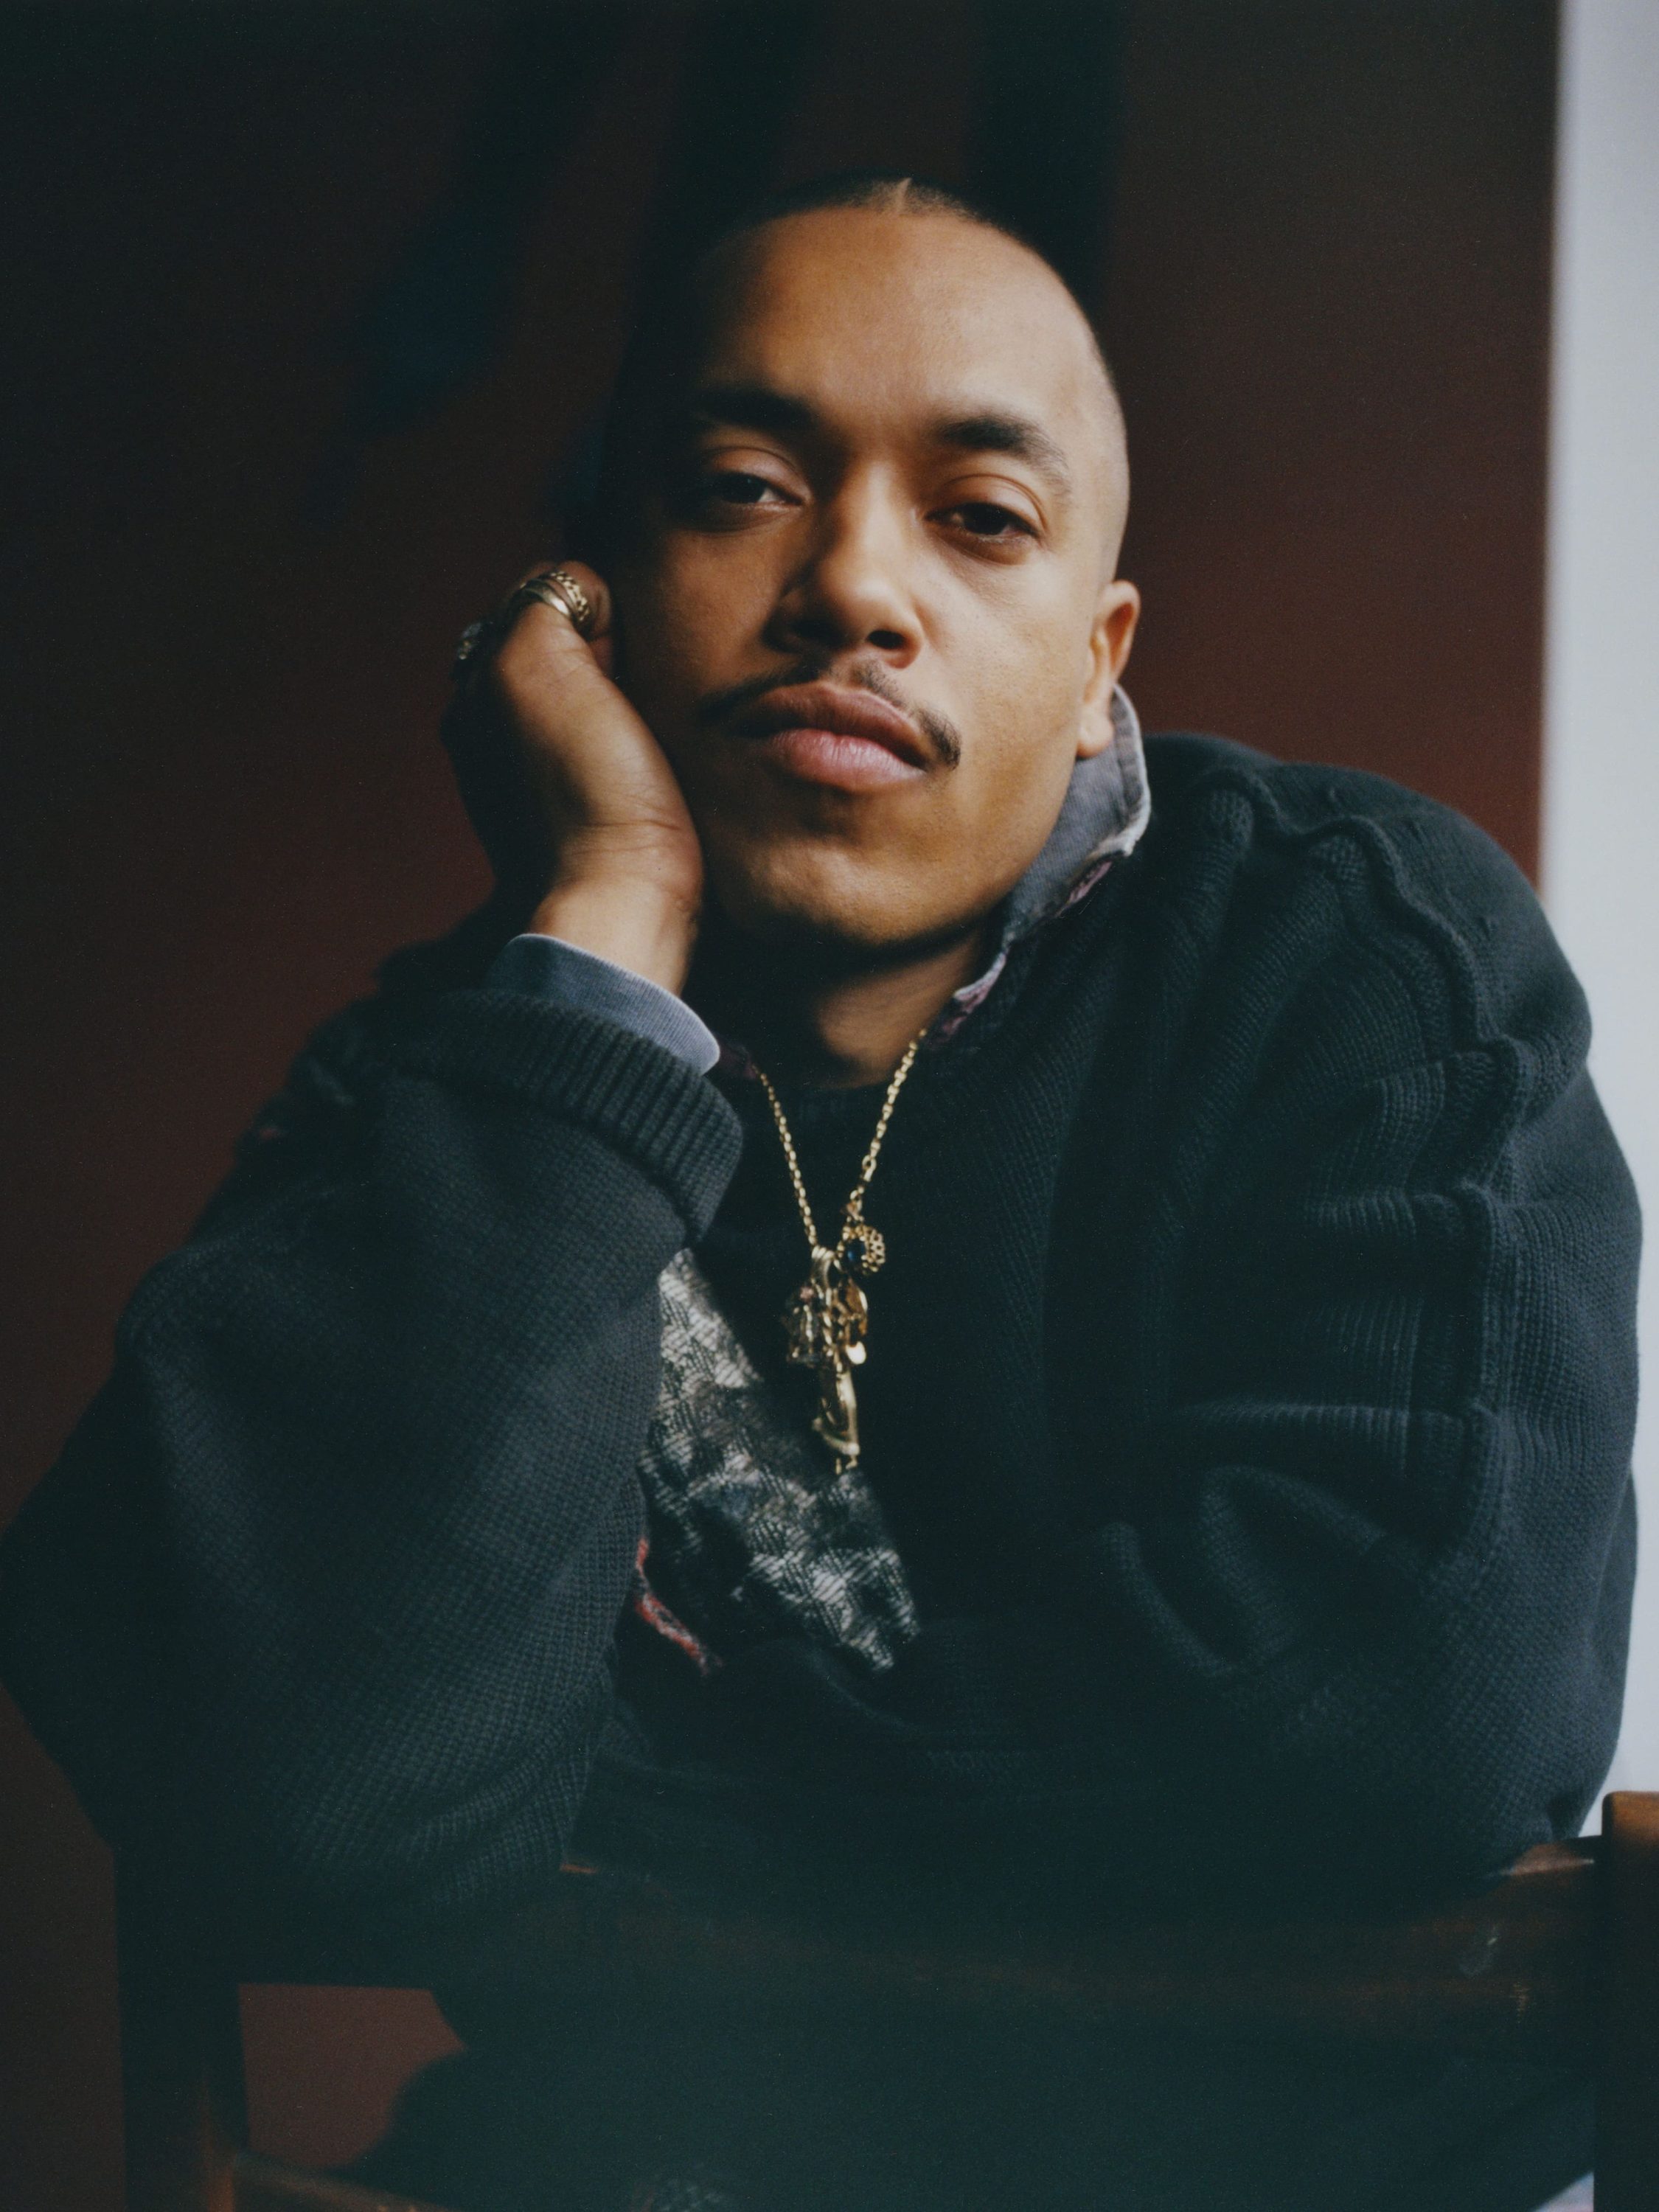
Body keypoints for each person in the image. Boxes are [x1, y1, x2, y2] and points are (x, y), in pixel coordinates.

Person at [0, 173, 1638, 2212]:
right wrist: (605, 935)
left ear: (1100, 655)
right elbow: (291, 1807)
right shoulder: (445, 1080)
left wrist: (610, 1797)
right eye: (743, 490)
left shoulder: (1355, 961)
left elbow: (1405, 1709)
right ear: (594, 600)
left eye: (983, 517)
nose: (855, 585)